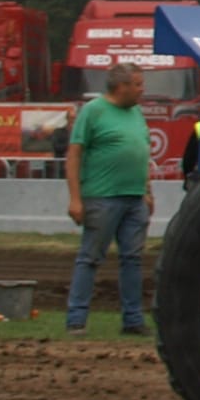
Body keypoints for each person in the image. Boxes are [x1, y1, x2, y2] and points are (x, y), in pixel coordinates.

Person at [65, 62, 154, 336]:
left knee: (133, 259)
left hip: (135, 198)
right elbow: (74, 155)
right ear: (121, 86)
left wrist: (147, 190)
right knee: (90, 257)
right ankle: (76, 318)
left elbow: (142, 152)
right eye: (137, 84)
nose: (142, 90)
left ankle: (133, 320)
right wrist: (75, 199)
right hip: (102, 197)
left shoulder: (136, 112)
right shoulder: (93, 111)